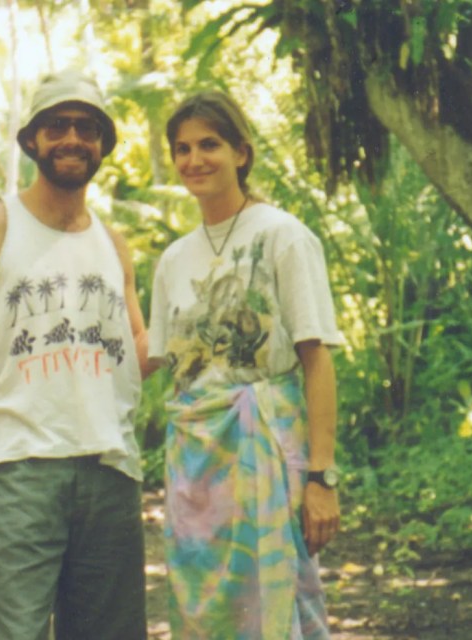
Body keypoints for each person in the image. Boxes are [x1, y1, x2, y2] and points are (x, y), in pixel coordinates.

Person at [0, 69, 149, 640]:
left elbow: (138, 351)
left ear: (103, 145)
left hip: (110, 469)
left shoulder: (113, 244)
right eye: (57, 126)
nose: (72, 139)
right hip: (20, 471)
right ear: (31, 141)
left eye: (87, 128)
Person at [147, 90, 344, 639]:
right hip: (194, 460)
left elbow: (316, 358)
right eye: (182, 149)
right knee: (201, 608)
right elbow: (158, 360)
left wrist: (321, 477)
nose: (194, 160)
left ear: (241, 152)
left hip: (265, 444)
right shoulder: (173, 260)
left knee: (279, 604)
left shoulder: (283, 236)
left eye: (209, 144)